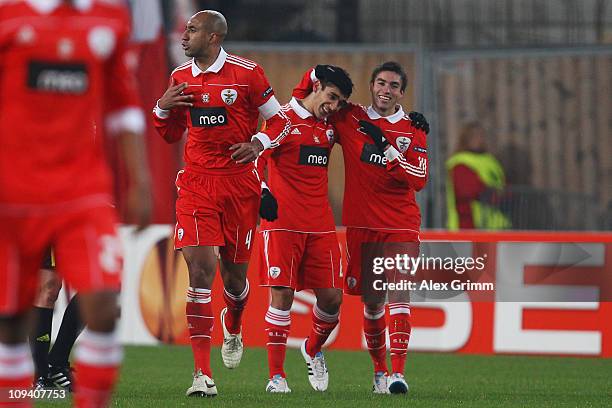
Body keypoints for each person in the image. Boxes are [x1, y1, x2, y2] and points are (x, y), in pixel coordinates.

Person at [0, 1, 152, 407]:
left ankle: (57, 367)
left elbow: (123, 103)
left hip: (83, 190)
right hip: (18, 192)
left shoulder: (109, 19)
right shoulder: (10, 18)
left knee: (103, 298)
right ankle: (36, 377)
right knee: (14, 317)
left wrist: (140, 178)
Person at [152, 10, 290, 397]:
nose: (184, 36)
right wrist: (163, 106)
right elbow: (170, 133)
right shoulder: (180, 77)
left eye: (192, 30)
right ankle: (201, 374)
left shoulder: (247, 74)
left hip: (239, 186)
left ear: (213, 37)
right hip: (196, 183)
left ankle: (234, 322)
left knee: (235, 279)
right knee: (200, 269)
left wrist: (258, 144)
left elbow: (279, 122)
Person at [293, 62, 430, 394]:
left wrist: (387, 148)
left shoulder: (413, 129)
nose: (386, 90)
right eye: (380, 83)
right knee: (371, 303)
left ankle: (397, 373)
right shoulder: (349, 117)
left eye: (394, 85)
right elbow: (302, 102)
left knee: (399, 292)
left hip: (401, 224)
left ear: (402, 92)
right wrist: (313, 72)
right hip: (361, 226)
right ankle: (372, 369)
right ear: (371, 86)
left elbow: (419, 180)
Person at [256, 65, 353, 393]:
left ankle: (312, 348)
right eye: (331, 96)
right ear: (317, 86)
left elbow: (365, 120)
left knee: (332, 299)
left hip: (320, 225)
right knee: (281, 294)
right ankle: (276, 377)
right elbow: (256, 156)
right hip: (282, 222)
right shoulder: (282, 119)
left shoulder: (329, 126)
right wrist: (263, 192)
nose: (334, 105)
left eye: (339, 101)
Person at [30, 250, 84, 391]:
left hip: (83, 229)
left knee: (102, 286)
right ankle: (41, 375)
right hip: (52, 229)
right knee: (49, 289)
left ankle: (57, 362)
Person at [446, 121, 511, 230]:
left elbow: (504, 185)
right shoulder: (460, 162)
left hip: (496, 225)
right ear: (465, 139)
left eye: (481, 135)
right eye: (473, 136)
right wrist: (497, 196)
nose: (479, 139)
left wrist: (504, 195)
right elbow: (468, 190)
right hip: (470, 226)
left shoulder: (490, 160)